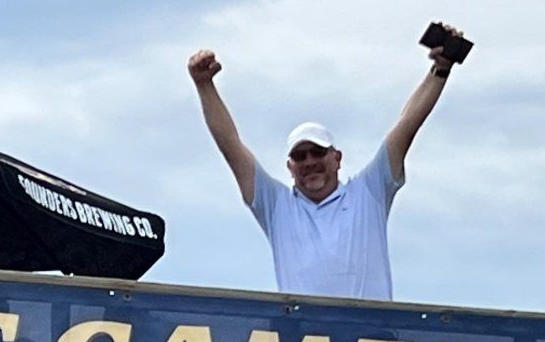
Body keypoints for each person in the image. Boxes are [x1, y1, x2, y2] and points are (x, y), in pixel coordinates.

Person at [186, 26, 467, 301]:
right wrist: (204, 85)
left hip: (372, 341)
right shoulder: (277, 207)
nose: (309, 162)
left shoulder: (369, 193)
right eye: (300, 155)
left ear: (337, 158)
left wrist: (440, 69)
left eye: (318, 152)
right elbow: (231, 144)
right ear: (290, 167)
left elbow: (407, 125)